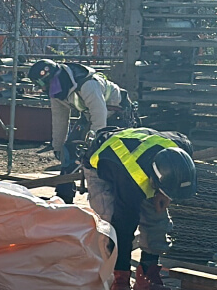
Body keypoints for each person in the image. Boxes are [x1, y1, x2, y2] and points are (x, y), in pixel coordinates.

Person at [83, 126, 197, 290]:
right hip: (103, 165)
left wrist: (164, 194)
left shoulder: (182, 148)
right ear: (155, 178)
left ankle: (147, 273)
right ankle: (116, 278)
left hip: (139, 155)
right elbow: (123, 228)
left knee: (157, 220)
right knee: (109, 227)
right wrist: (122, 277)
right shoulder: (130, 181)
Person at [27, 59, 139, 203]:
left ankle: (119, 199)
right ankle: (63, 197)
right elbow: (60, 120)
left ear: (50, 79)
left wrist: (94, 145)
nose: (41, 90)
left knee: (111, 156)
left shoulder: (87, 84)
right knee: (70, 150)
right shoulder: (57, 93)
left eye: (41, 85)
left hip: (117, 115)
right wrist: (58, 146)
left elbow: (99, 117)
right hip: (90, 115)